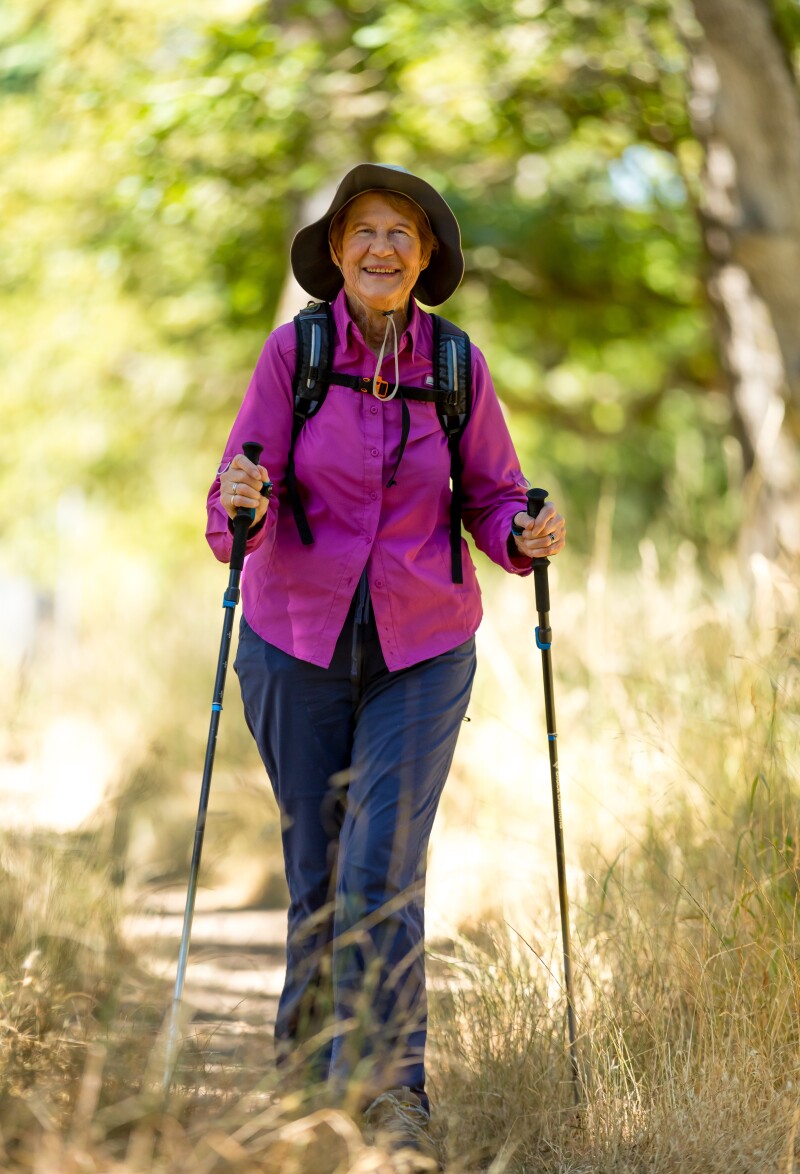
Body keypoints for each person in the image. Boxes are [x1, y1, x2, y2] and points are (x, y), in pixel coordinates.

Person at [206, 163, 566, 1162]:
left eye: (400, 236)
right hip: (293, 640)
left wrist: (523, 530)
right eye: (362, 232)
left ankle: (387, 1089)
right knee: (318, 869)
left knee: (381, 865)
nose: (380, 249)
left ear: (424, 259)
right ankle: (304, 1077)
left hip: (422, 646)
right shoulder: (296, 355)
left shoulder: (454, 365)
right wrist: (239, 500)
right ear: (335, 251)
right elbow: (236, 492)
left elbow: (494, 494)